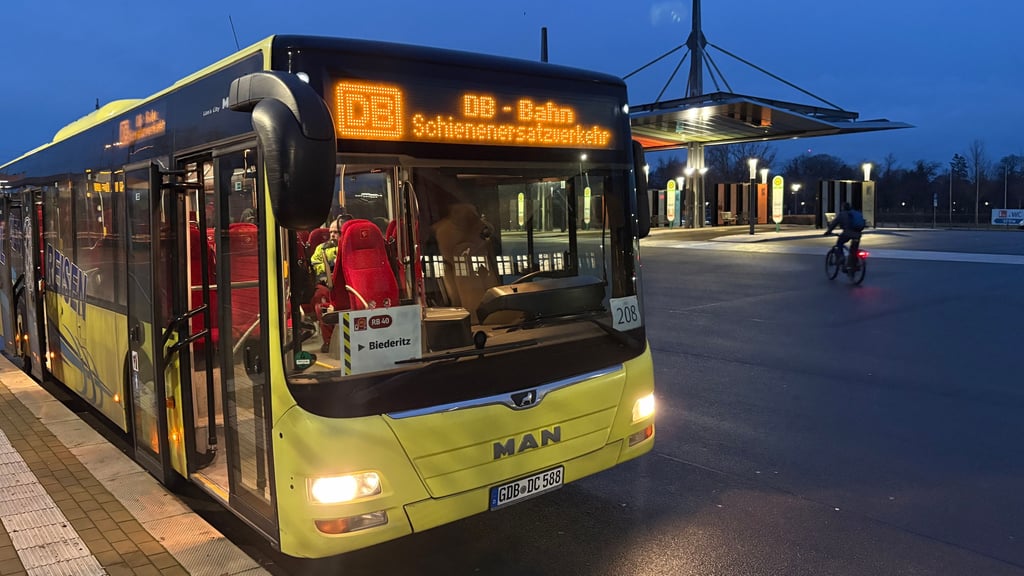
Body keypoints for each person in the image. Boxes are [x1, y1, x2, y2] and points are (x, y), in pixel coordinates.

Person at [310, 218, 343, 353]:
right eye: (331, 232)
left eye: (336, 232)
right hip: (326, 283)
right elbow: (315, 264)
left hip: (345, 284)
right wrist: (331, 265)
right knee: (320, 296)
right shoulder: (321, 248)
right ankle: (328, 341)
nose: (332, 235)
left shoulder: (350, 246)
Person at [825, 202, 866, 268]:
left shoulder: (842, 214)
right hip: (858, 234)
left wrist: (828, 231)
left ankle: (841, 257)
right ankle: (855, 263)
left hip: (847, 233)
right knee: (853, 250)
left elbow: (834, 224)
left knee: (839, 243)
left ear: (843, 208)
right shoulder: (855, 213)